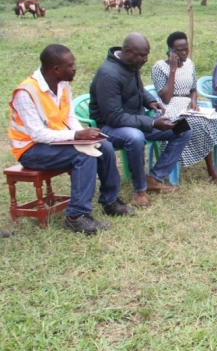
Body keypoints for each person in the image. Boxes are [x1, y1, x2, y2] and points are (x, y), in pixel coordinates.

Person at [9, 44, 132, 234]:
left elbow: (69, 117)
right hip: (31, 149)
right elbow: (37, 134)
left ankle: (110, 201)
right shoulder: (26, 93)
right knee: (83, 155)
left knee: (104, 147)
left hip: (57, 141)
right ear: (56, 69)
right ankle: (76, 216)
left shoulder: (63, 84)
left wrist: (87, 136)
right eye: (70, 65)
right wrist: (77, 136)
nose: (75, 68)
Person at [90, 33, 191, 207]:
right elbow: (114, 117)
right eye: (142, 55)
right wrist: (151, 123)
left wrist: (150, 101)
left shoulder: (130, 65)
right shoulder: (108, 75)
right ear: (128, 51)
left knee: (182, 129)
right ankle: (139, 190)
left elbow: (138, 89)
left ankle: (154, 178)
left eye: (147, 55)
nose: (146, 59)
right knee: (135, 137)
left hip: (135, 121)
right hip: (109, 127)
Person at [151, 32, 217, 184]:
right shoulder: (159, 67)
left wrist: (193, 100)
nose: (184, 53)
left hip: (188, 106)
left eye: (186, 49)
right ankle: (211, 170)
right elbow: (165, 97)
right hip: (170, 107)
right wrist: (173, 69)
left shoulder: (190, 64)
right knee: (199, 125)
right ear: (170, 51)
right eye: (179, 50)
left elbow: (193, 89)